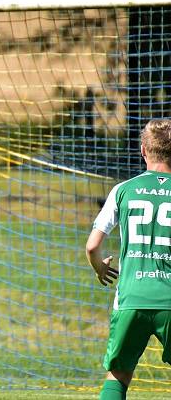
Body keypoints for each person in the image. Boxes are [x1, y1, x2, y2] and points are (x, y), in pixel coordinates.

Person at [86, 119, 171, 400]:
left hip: (131, 297)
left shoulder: (123, 189)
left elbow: (92, 246)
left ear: (144, 150)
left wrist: (100, 267)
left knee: (118, 377)